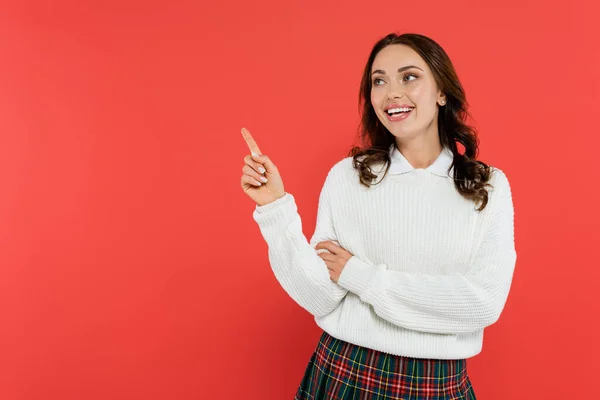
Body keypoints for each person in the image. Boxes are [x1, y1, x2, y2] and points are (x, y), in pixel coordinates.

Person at [240, 32, 516, 399]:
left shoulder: (489, 186)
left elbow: (483, 303)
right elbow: (320, 296)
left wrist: (363, 277)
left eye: (409, 77)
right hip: (347, 372)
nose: (392, 93)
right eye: (379, 81)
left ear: (441, 92)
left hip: (438, 384)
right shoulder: (348, 177)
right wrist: (274, 207)